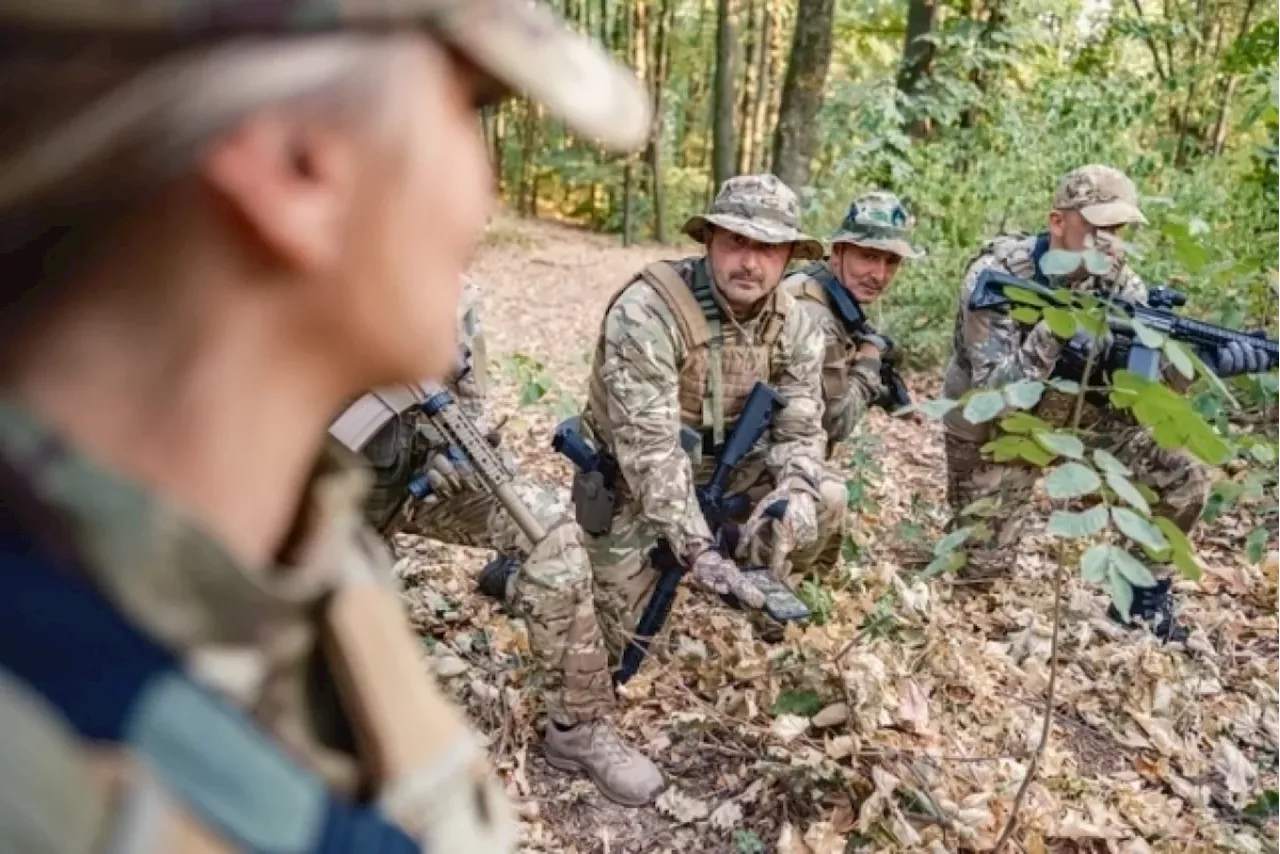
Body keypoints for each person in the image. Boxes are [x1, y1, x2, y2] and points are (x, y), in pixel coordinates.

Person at [0, 2, 650, 852]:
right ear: (298, 161)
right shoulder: (53, 775)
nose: (485, 197)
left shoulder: (305, 562)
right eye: (467, 107)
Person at [332, 276, 665, 809]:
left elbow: (470, 405)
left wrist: (453, 455)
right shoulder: (292, 274)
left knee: (554, 536)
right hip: (315, 503)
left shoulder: (453, 291)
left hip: (424, 485)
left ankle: (579, 728)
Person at [939, 164, 1268, 639]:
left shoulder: (1122, 287)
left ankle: (1142, 603)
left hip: (1079, 421)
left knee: (1180, 477)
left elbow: (1136, 398)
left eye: (1120, 230)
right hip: (998, 432)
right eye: (1099, 227)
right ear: (1058, 222)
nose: (1111, 242)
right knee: (980, 582)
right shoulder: (997, 276)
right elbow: (995, 397)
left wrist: (1199, 367)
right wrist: (1053, 332)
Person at [576, 173, 843, 659]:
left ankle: (762, 595)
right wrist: (699, 551)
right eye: (736, 242)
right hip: (634, 486)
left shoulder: (796, 326)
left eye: (769, 248)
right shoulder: (649, 312)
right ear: (709, 240)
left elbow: (801, 428)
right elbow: (651, 456)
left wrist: (796, 490)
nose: (750, 262)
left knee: (826, 497)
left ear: (789, 258)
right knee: (622, 644)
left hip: (729, 474)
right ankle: (525, 573)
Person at [785, 190, 924, 449]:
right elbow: (834, 424)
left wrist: (888, 397)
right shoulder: (817, 315)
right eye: (869, 256)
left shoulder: (824, 287)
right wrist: (869, 365)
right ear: (837, 252)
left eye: (892, 261)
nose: (879, 275)